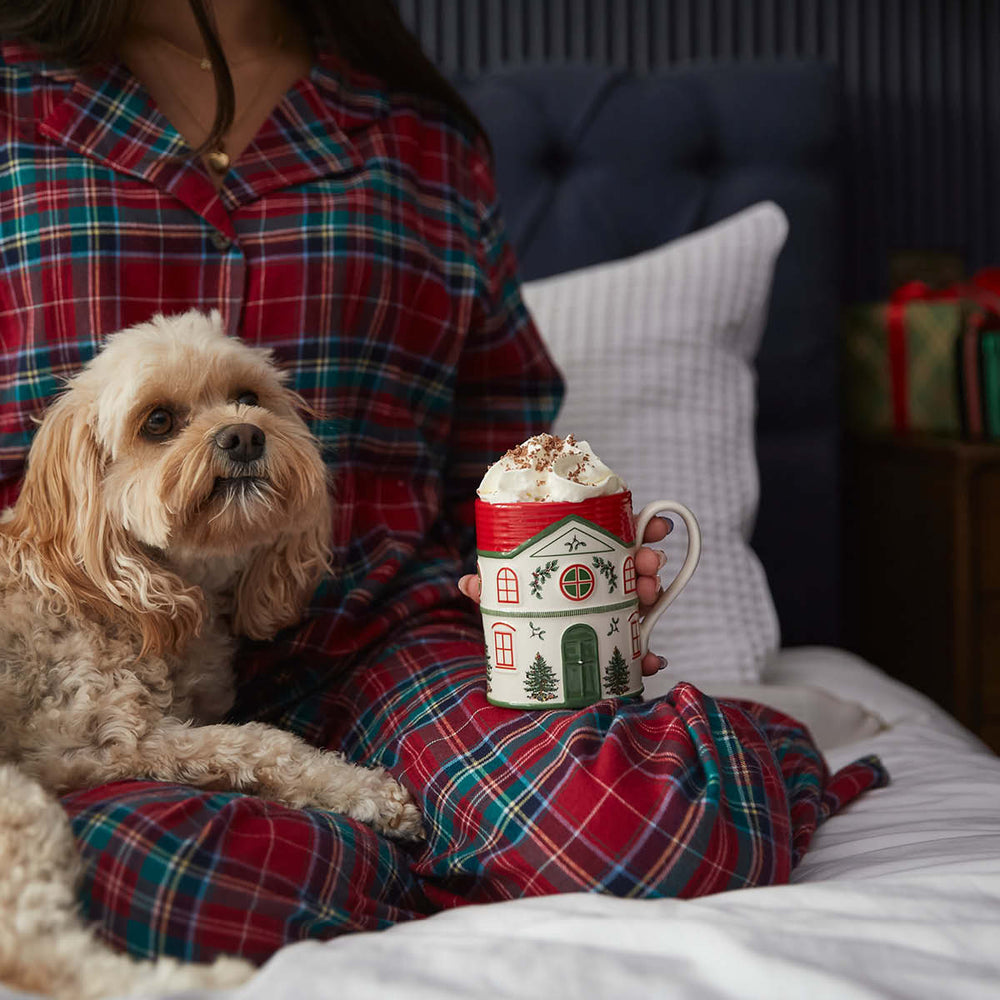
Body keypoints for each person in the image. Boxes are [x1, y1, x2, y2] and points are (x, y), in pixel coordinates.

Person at [0, 0, 886, 967]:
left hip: (380, 633)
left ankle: (482, 824)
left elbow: (498, 434)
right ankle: (442, 847)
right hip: (88, 669)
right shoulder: (16, 100)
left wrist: (559, 559)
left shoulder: (418, 138)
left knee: (637, 829)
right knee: (139, 875)